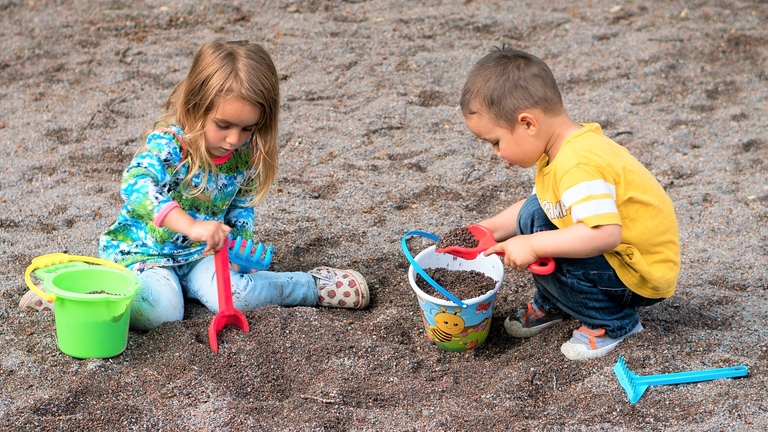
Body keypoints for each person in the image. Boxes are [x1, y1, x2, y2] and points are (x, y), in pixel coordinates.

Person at [20, 39, 369, 328]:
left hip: (202, 255)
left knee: (238, 297)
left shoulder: (245, 155)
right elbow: (135, 184)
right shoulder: (170, 145)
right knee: (161, 313)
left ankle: (312, 287)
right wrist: (190, 225)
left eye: (248, 128)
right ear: (195, 106)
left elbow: (240, 208)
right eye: (224, 124)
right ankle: (77, 294)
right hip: (146, 254)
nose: (234, 139)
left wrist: (235, 249)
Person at [459, 46, 680, 360]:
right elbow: (541, 205)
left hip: (638, 273)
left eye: (496, 142)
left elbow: (604, 234)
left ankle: (614, 322)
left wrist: (534, 245)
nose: (496, 153)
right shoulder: (562, 147)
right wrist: (488, 229)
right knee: (536, 215)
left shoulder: (578, 164)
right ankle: (558, 302)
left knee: (544, 242)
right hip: (621, 257)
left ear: (528, 124)